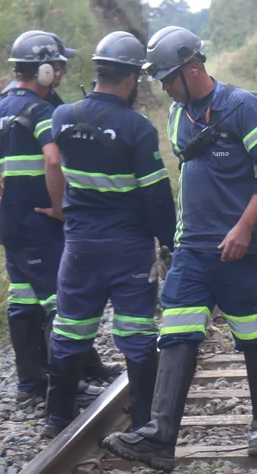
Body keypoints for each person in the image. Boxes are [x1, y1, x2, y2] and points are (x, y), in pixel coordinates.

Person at [101, 26, 257, 470]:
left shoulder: (241, 107)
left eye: (168, 78)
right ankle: (161, 439)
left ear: (194, 68)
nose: (164, 88)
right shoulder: (178, 115)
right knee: (177, 334)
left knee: (251, 332)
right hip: (192, 250)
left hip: (239, 249)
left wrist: (243, 228)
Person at [41, 31, 177, 439]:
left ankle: (57, 417)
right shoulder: (136, 127)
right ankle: (145, 424)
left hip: (79, 246)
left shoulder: (62, 117)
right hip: (128, 247)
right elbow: (155, 195)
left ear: (98, 70)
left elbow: (55, 169)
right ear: (132, 78)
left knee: (70, 328)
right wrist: (169, 239)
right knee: (137, 334)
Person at [0, 31, 106, 405]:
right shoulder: (40, 111)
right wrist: (59, 208)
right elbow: (54, 158)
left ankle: (30, 386)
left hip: (12, 224)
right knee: (59, 303)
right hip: (41, 225)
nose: (61, 73)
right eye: (58, 66)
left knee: (24, 303)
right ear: (44, 70)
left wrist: (4, 196)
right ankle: (67, 384)